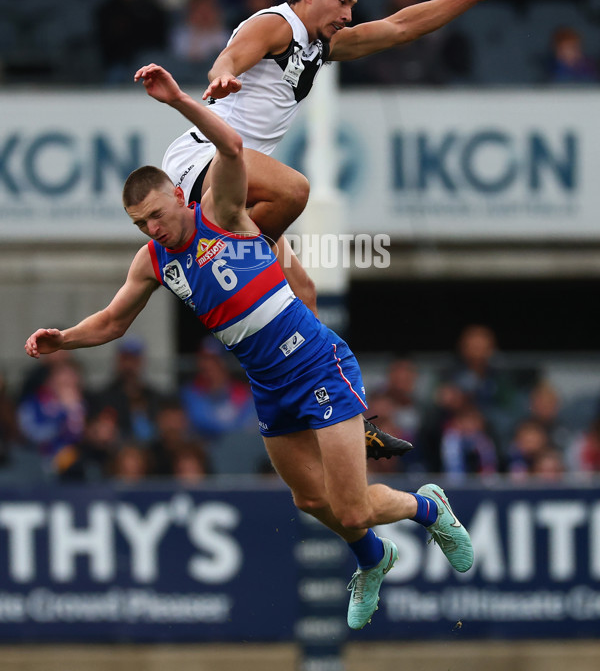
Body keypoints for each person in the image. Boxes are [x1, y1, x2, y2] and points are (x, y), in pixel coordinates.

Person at [25, 64, 474, 630]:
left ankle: (429, 507)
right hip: (268, 383)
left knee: (353, 505)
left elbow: (233, 147)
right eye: (141, 224)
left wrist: (178, 99)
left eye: (157, 216)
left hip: (315, 363)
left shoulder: (222, 212)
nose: (153, 230)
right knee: (310, 501)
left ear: (179, 198)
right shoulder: (153, 261)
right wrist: (64, 338)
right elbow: (114, 321)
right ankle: (373, 557)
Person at [161, 0, 524, 458]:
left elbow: (399, 27)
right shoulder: (276, 24)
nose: (349, 14)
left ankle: (328, 408)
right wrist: (221, 76)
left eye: (352, 4)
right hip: (203, 162)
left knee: (304, 291)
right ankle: (222, 255)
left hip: (236, 180)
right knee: (294, 191)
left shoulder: (319, 46)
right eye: (343, 0)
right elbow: (234, 54)